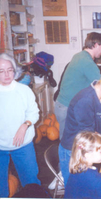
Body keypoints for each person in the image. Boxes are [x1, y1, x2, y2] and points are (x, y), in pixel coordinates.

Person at [0, 53, 40, 197]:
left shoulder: (24, 91)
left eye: (9, 70)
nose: (6, 74)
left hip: (23, 145)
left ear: (15, 70)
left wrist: (25, 125)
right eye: (1, 71)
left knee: (31, 184)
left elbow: (33, 113)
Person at [55, 32, 101, 140]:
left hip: (62, 104)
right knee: (70, 145)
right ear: (96, 45)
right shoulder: (87, 61)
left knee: (68, 142)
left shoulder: (79, 55)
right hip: (67, 106)